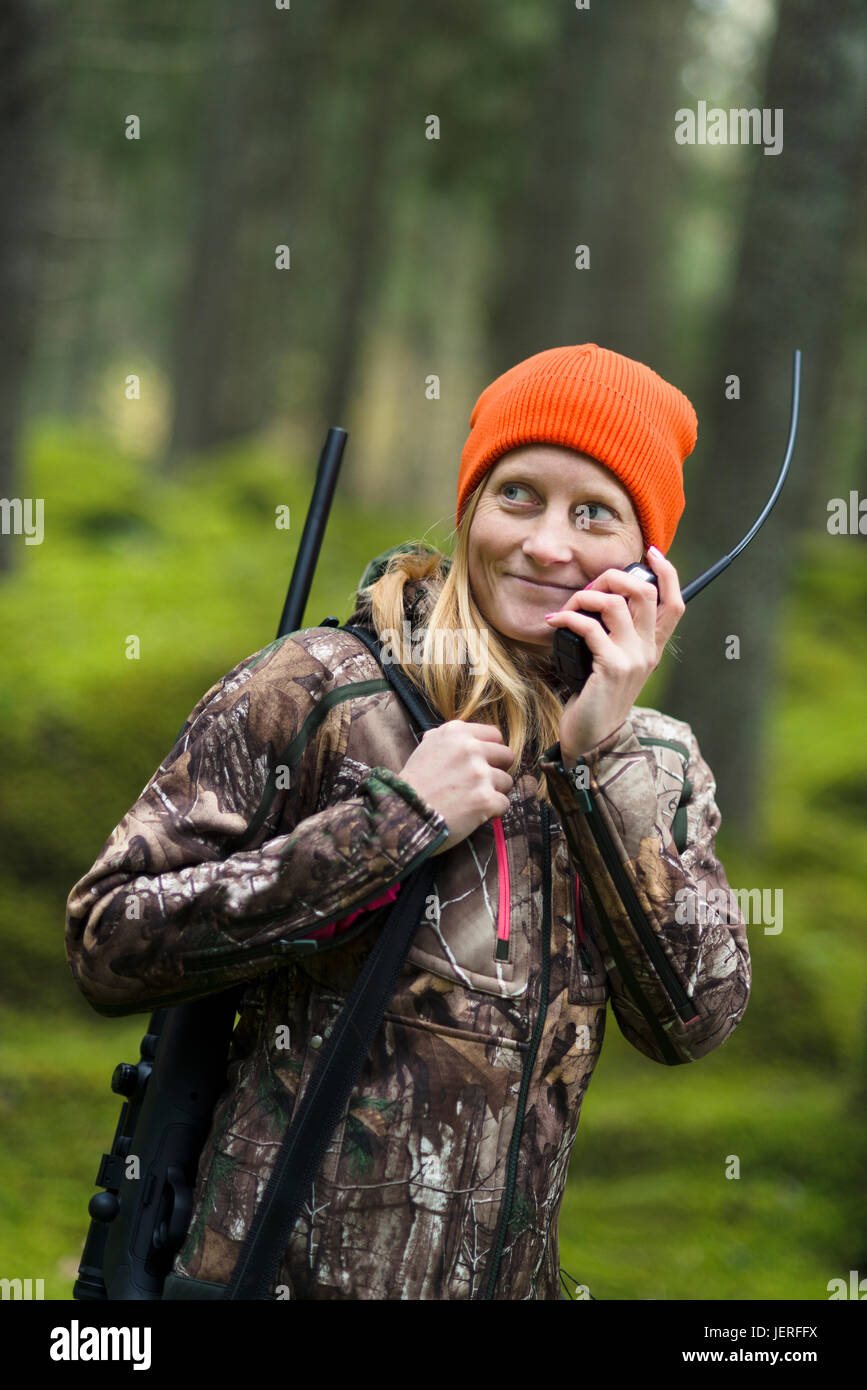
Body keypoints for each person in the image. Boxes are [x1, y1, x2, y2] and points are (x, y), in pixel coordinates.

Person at [65, 343, 751, 1301]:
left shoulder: (659, 763)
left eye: (591, 512)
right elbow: (106, 940)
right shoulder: (316, 689)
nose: (546, 544)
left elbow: (693, 1022)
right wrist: (391, 824)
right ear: (471, 505)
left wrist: (600, 766)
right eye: (517, 495)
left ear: (649, 558)